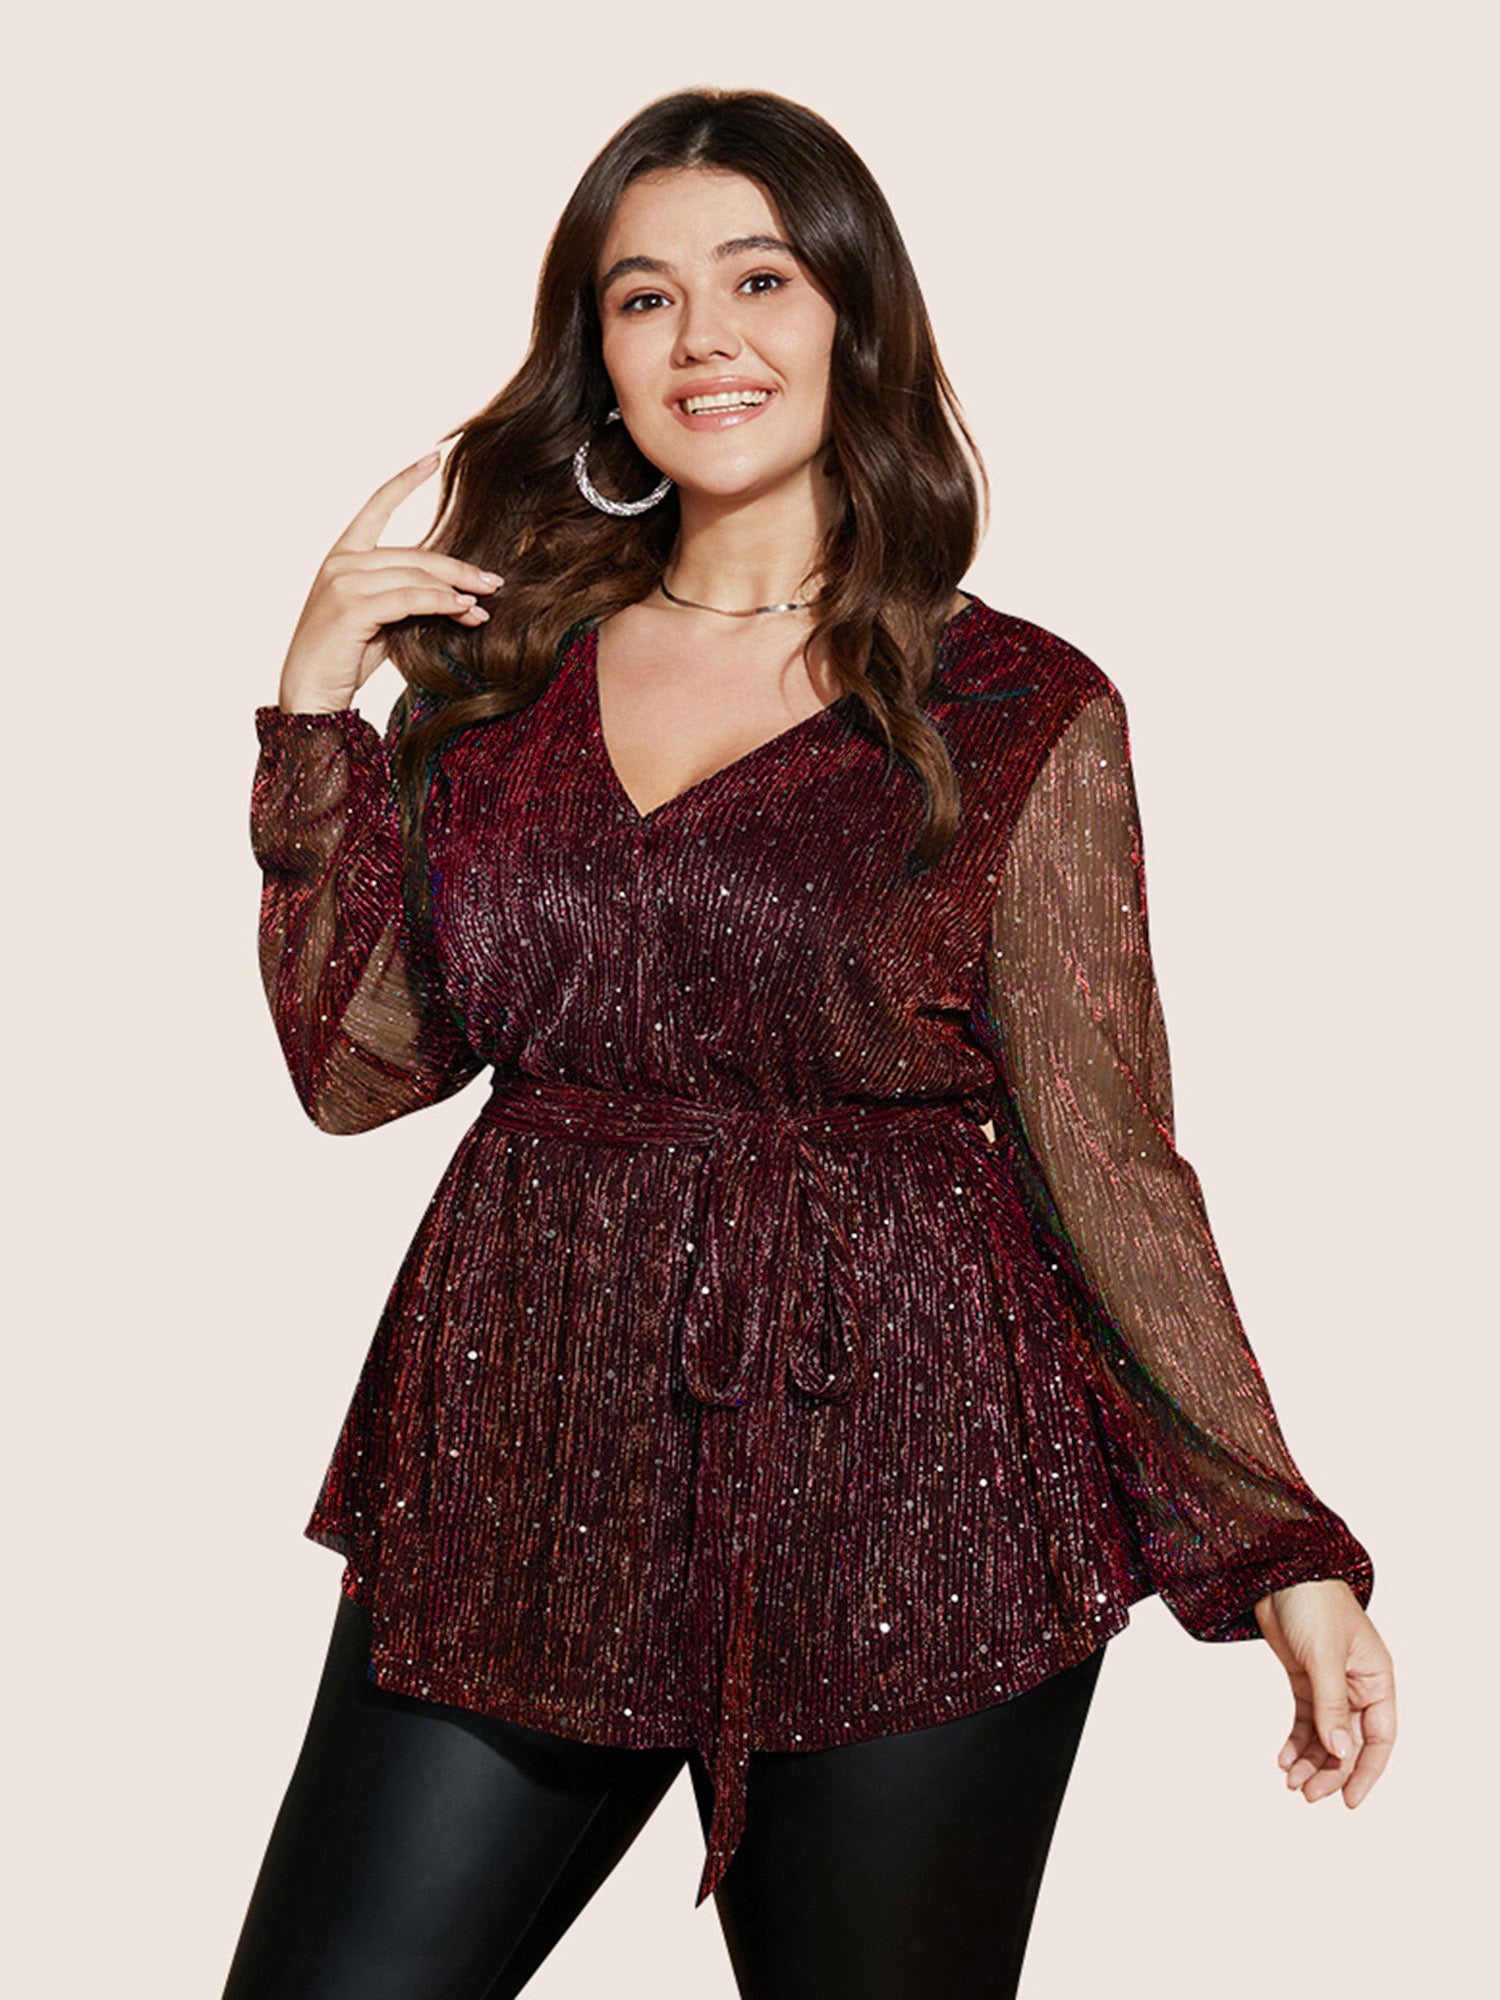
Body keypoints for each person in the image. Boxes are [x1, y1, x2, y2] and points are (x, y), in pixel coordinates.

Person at [224, 85, 1396, 2000]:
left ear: (853, 315)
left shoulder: (1013, 706)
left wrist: (1285, 1550)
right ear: (598, 358)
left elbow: (1111, 1160)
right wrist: (311, 721)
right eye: (645, 297)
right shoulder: (498, 681)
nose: (705, 337)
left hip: (918, 1490)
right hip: (530, 1463)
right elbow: (361, 1071)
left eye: (759, 279)